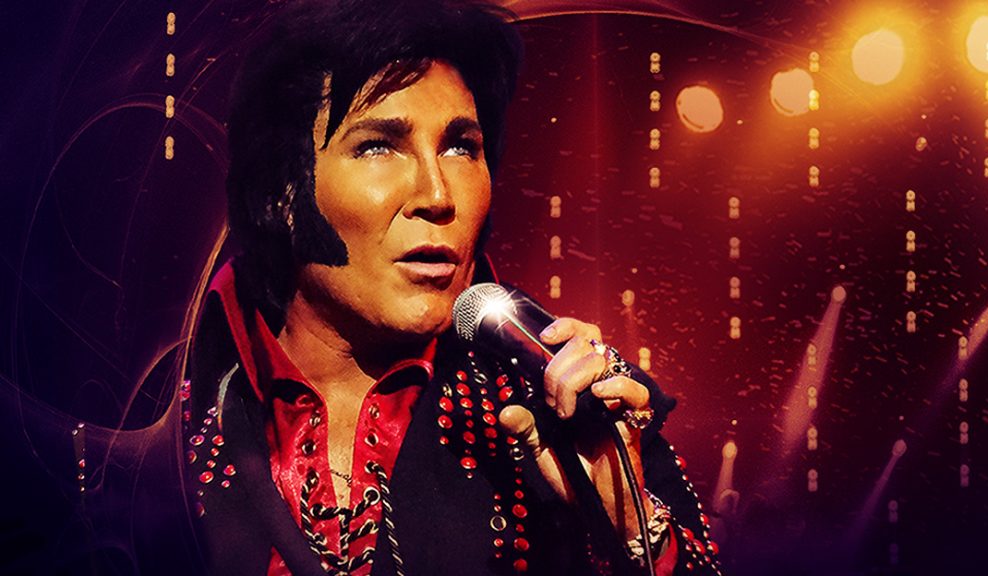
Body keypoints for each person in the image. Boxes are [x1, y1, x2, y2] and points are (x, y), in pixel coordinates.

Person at [182, 1, 722, 574]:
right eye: (378, 146)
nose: (438, 195)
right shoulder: (176, 411)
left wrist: (628, 526)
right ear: (281, 195)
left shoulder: (572, 401)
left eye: (461, 146)